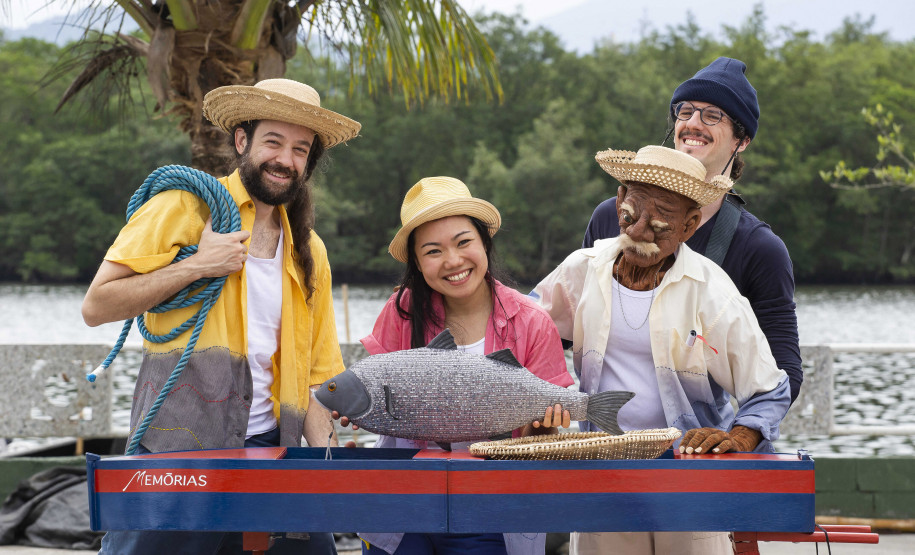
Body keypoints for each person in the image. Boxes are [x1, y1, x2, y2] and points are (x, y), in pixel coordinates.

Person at [81, 78, 361, 554]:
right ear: (242, 140)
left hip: (279, 451)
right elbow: (97, 305)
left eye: (300, 148)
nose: (285, 159)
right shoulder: (186, 207)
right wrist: (198, 265)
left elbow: (319, 377)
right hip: (179, 448)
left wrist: (330, 462)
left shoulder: (310, 249)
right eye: (273, 141)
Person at [532, 145, 791, 555]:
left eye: (660, 226)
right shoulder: (583, 269)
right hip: (603, 476)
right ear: (618, 200)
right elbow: (524, 327)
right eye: (631, 216)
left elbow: (770, 388)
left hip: (691, 481)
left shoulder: (712, 291)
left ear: (690, 225)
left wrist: (738, 438)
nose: (639, 235)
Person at [348, 176, 575, 555]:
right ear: (418, 264)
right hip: (403, 505)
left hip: (492, 507)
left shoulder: (532, 321)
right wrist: (357, 408)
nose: (453, 261)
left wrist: (547, 425)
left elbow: (547, 442)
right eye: (433, 251)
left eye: (463, 242)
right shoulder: (400, 312)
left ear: (484, 243)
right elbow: (379, 395)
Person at [582, 57, 803, 404]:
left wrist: (738, 436)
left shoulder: (760, 248)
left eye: (713, 115)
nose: (693, 123)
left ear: (741, 140)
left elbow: (784, 372)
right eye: (684, 111)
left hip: (693, 450)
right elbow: (553, 327)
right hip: (597, 442)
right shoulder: (609, 219)